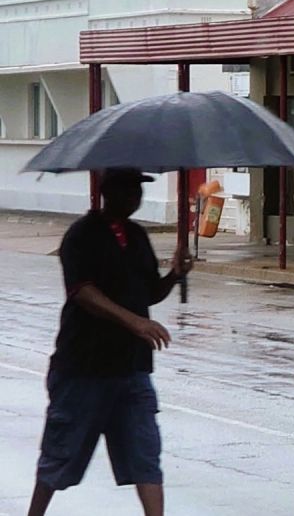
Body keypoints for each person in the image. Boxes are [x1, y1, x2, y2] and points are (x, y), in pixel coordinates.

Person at [30, 168, 190, 516]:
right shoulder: (81, 236)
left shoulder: (136, 236)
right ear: (108, 192)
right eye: (129, 189)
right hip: (83, 367)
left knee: (145, 453)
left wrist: (175, 274)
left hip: (132, 368)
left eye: (139, 190)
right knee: (60, 453)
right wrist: (135, 322)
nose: (136, 197)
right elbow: (82, 292)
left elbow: (149, 292)